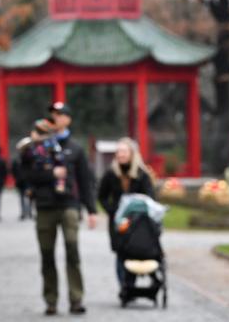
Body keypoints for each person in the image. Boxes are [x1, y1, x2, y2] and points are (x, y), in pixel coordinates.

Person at [24, 102, 97, 316]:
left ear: (67, 119)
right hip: (45, 205)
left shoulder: (75, 148)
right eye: (52, 115)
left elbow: (85, 180)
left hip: (69, 204)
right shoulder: (36, 146)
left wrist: (91, 210)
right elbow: (26, 176)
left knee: (72, 249)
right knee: (47, 254)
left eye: (59, 114)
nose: (54, 118)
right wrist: (50, 174)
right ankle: (51, 300)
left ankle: (76, 298)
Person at [96, 137, 154, 293]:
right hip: (117, 221)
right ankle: (124, 286)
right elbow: (101, 196)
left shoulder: (142, 174)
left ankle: (130, 283)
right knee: (120, 252)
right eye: (118, 151)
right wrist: (112, 210)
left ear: (132, 153)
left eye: (123, 151)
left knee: (133, 250)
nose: (120, 154)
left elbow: (150, 197)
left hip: (137, 222)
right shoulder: (111, 174)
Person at [12, 137, 33, 220]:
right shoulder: (31, 157)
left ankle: (24, 213)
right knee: (29, 197)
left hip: (21, 180)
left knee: (23, 197)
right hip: (28, 180)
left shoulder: (18, 159)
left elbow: (13, 170)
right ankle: (29, 212)